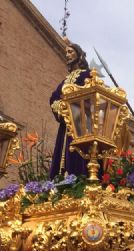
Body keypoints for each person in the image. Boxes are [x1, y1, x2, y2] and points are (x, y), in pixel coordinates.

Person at [49, 40, 91, 178]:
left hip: (80, 123)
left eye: (70, 51)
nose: (67, 55)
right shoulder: (65, 81)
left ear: (79, 55)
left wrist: (74, 103)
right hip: (66, 123)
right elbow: (54, 97)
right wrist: (62, 107)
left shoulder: (87, 75)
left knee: (79, 153)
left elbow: (92, 95)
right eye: (66, 52)